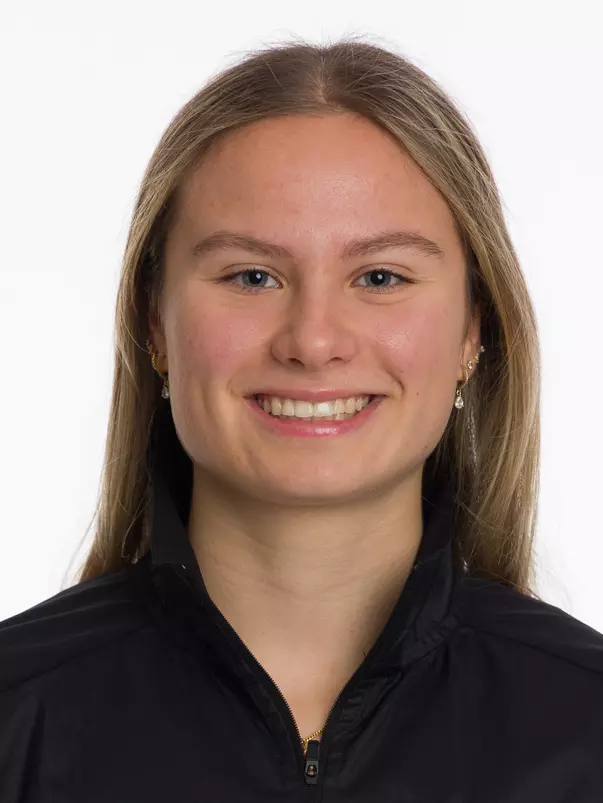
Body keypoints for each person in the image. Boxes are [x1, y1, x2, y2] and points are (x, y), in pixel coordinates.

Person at [1, 37, 602, 803]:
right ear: (155, 321)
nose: (313, 341)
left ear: (471, 330)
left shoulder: (585, 726)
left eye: (379, 276)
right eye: (251, 275)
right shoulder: (19, 714)